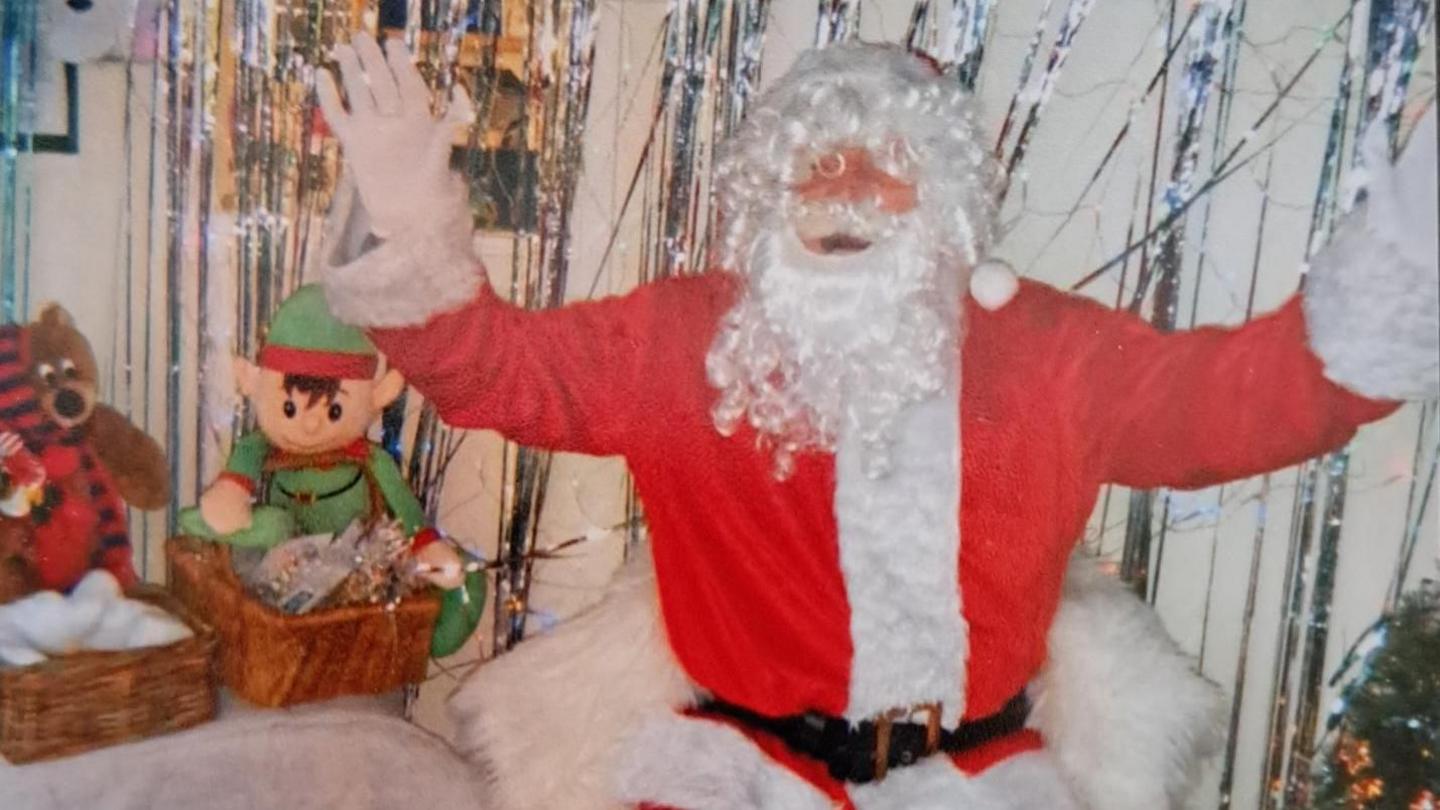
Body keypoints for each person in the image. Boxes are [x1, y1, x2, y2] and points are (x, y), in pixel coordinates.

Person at [317, 35, 1438, 810]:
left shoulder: (1047, 350)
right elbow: (492, 375)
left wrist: (1403, 263)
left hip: (981, 777)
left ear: (946, 200)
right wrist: (410, 216)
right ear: (770, 192)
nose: (846, 183)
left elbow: (1245, 403)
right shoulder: (683, 340)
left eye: (889, 162)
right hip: (735, 774)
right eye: (816, 161)